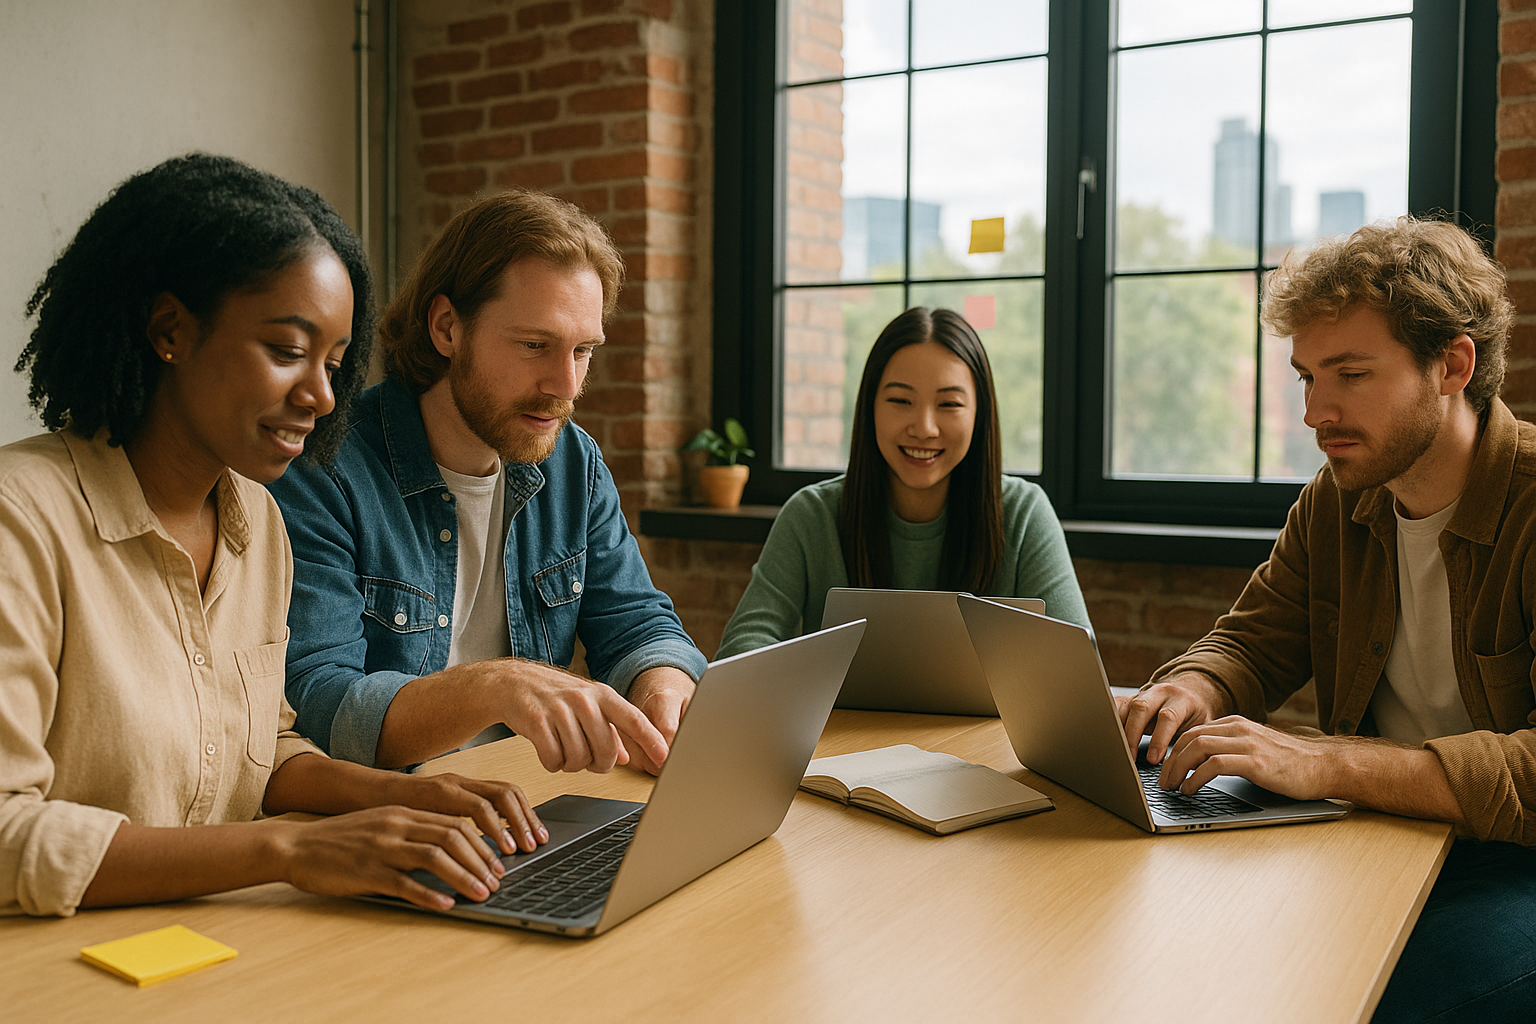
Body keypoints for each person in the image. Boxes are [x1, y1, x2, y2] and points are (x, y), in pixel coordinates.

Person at [0, 154, 549, 919]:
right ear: (169, 331)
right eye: (289, 351)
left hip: (215, 946)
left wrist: (412, 797)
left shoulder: (255, 518)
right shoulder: (19, 520)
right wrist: (288, 851)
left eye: (334, 362)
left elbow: (257, 751)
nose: (323, 396)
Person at [1118, 216, 1536, 1022]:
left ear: (1453, 365)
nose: (1317, 412)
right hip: (1379, 835)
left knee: (1400, 997)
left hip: (1511, 861)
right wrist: (1191, 691)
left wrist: (1327, 764)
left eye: (1350, 374)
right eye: (1307, 376)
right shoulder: (1338, 496)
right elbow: (1255, 637)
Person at [268, 189, 706, 777]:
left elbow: (638, 623)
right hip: (395, 817)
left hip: (534, 797)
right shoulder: (326, 468)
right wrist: (495, 686)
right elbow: (321, 704)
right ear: (448, 328)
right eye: (535, 346)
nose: (566, 386)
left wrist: (662, 691)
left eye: (582, 352)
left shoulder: (573, 461)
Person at [717, 306, 1089, 659]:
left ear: (980, 415)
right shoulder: (811, 515)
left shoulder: (1024, 513)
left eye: (949, 405)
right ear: (870, 408)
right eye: (900, 400)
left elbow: (1073, 665)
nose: (924, 428)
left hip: (987, 730)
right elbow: (743, 645)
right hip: (843, 729)